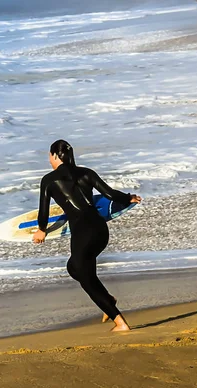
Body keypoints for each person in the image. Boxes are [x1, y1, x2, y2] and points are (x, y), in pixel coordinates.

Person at [32, 139, 141, 332]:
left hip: (82, 232)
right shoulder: (86, 173)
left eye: (49, 155)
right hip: (100, 230)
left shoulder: (49, 180)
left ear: (55, 155)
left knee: (85, 278)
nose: (49, 160)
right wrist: (128, 198)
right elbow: (109, 194)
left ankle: (119, 322)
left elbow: (44, 212)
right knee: (74, 268)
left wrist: (41, 230)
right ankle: (107, 299)